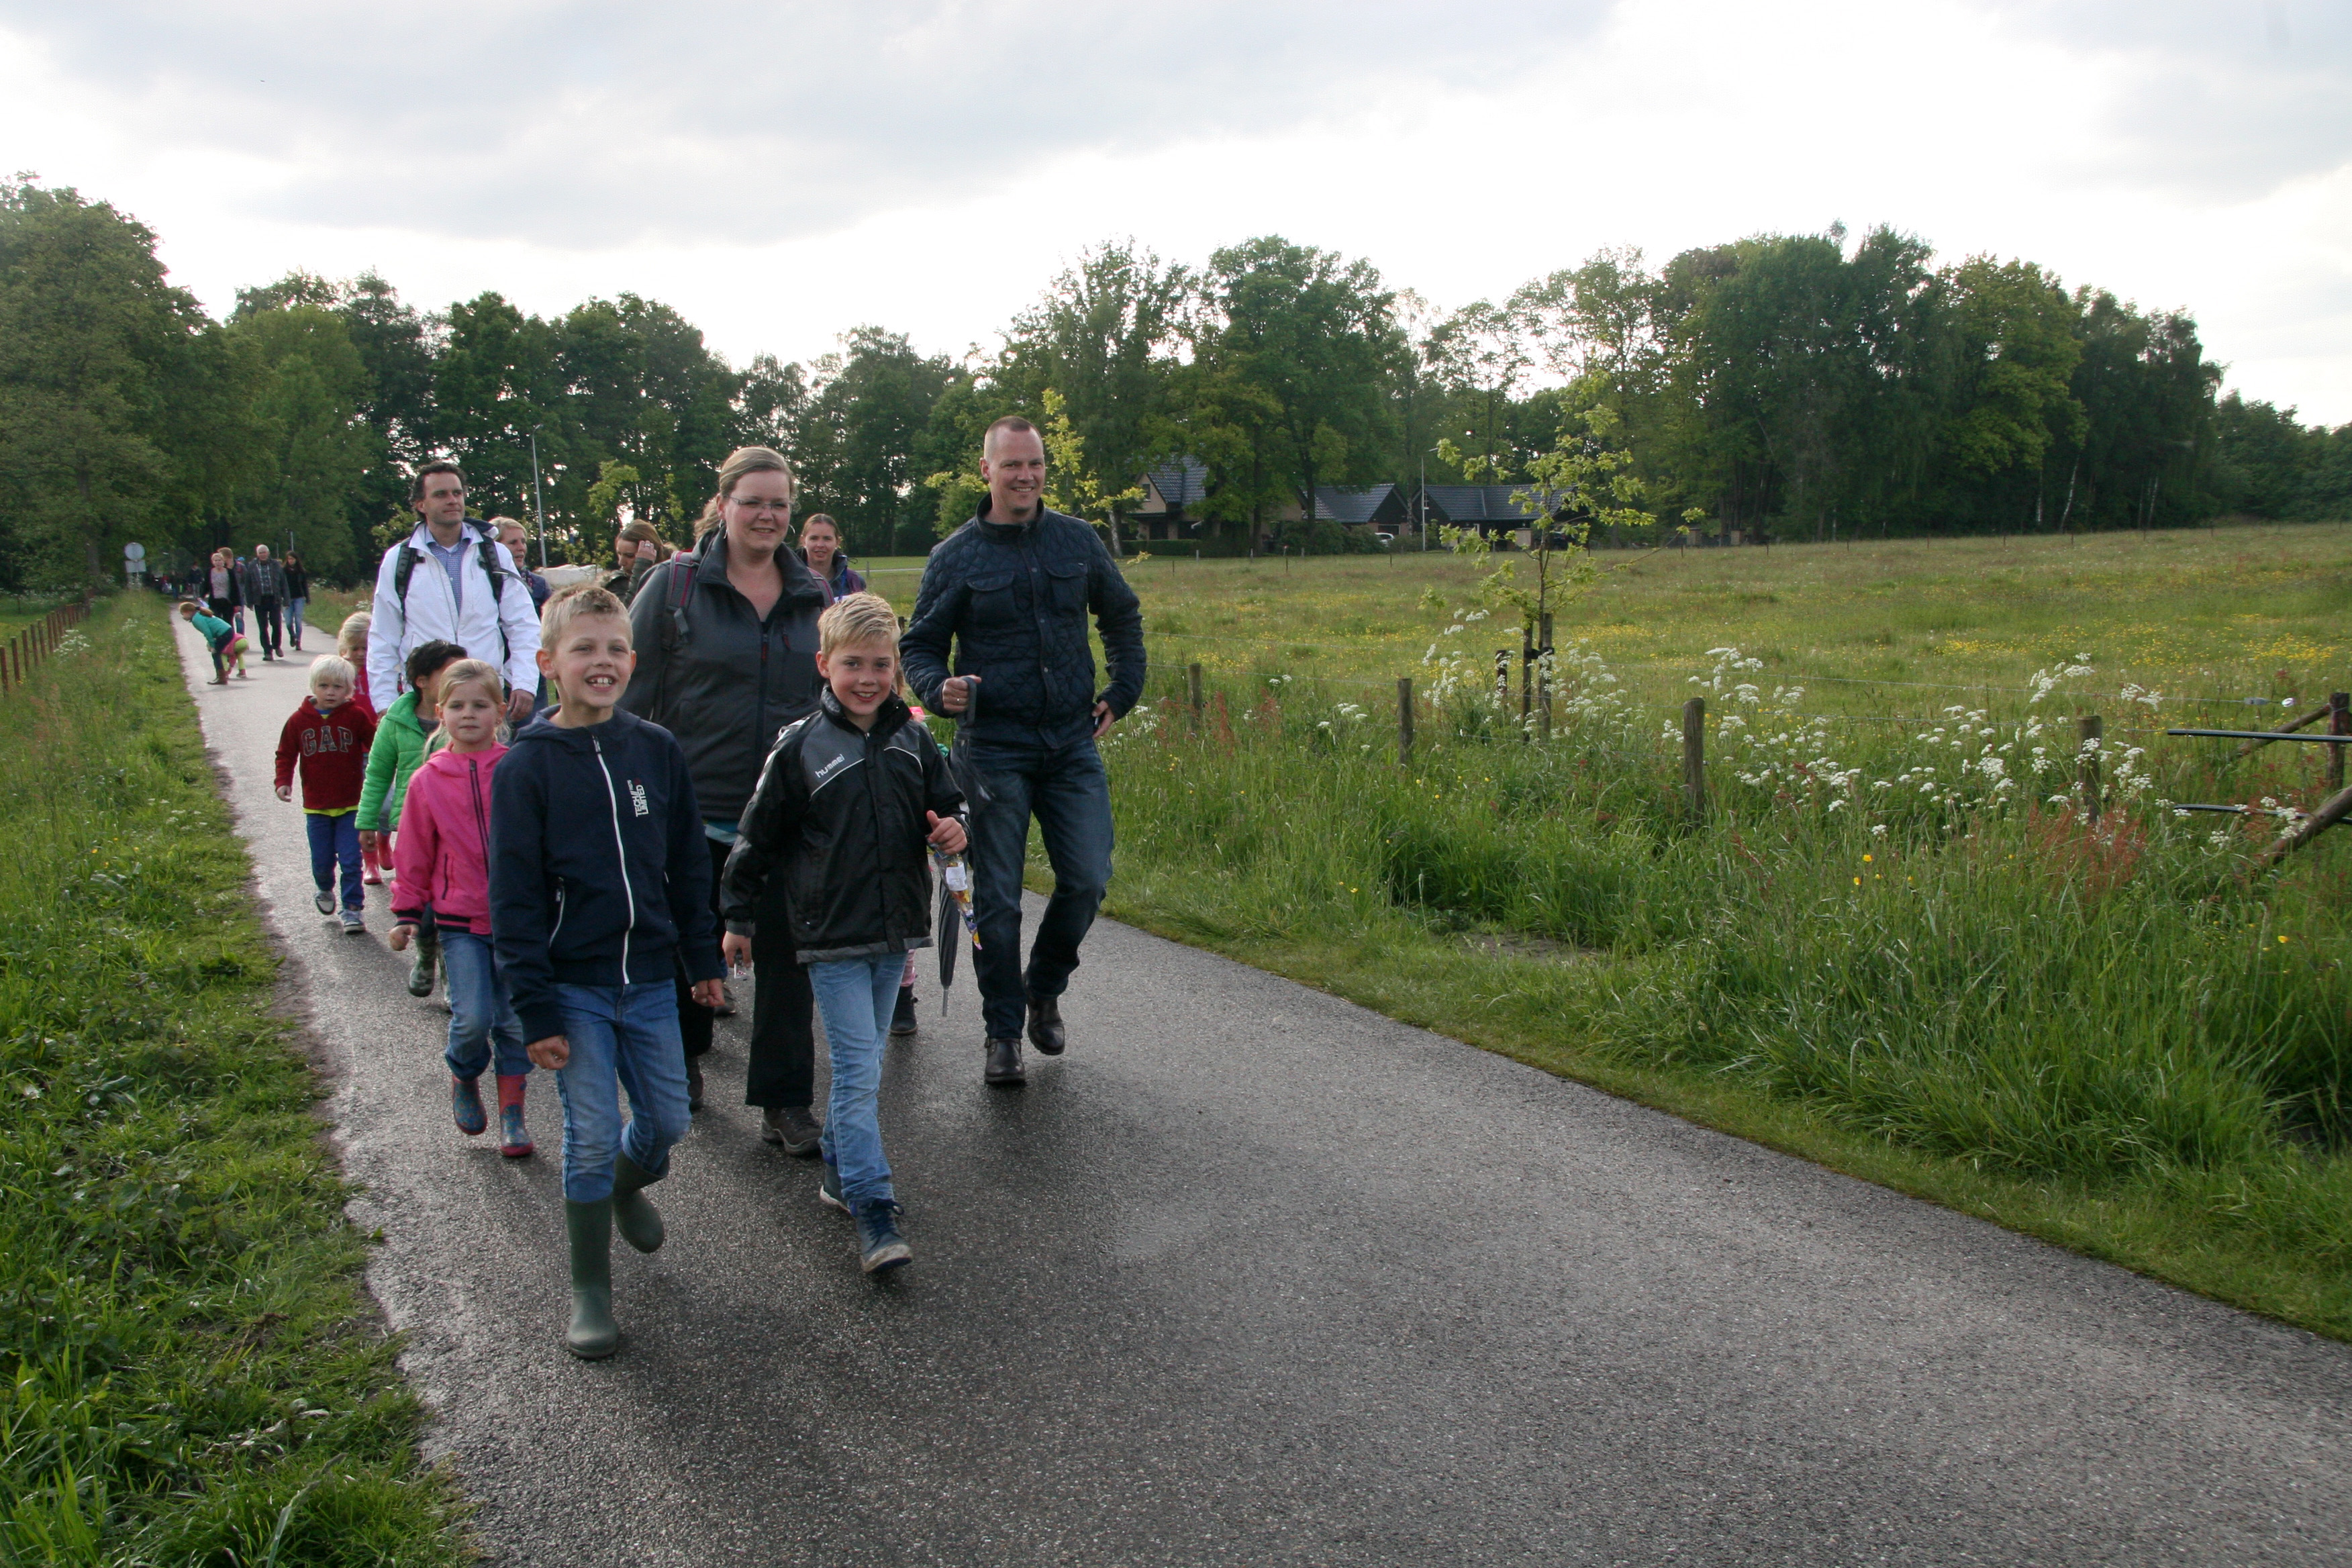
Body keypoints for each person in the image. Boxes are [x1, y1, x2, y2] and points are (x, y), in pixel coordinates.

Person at [490, 584, 722, 1361]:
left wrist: (700, 959)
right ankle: (590, 1287)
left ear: (634, 658)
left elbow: (688, 863)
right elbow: (514, 898)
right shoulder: (526, 767)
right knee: (589, 1134)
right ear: (547, 662)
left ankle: (626, 1184)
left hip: (651, 977)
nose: (603, 661)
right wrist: (535, 1010)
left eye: (616, 648)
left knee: (669, 1120)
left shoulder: (655, 748)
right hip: (573, 987)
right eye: (584, 648)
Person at [721, 595, 965, 1274]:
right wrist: (738, 917)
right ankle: (872, 1205)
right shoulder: (800, 746)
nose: (868, 678)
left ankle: (837, 1172)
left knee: (867, 1065)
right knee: (858, 1070)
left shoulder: (914, 739)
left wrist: (956, 828)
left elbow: (950, 803)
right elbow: (756, 837)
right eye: (853, 663)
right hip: (828, 936)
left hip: (896, 930)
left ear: (896, 669)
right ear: (824, 663)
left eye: (881, 665)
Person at [902, 415, 1145, 1085]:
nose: (1026, 475)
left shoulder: (1077, 539)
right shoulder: (955, 556)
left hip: (1070, 742)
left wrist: (1122, 690)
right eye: (1012, 464)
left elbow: (1122, 616)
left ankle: (1044, 988)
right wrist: (938, 688)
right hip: (993, 749)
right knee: (999, 901)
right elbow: (920, 646)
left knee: (1088, 877)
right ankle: (1003, 1031)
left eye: (1034, 463)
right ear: (986, 470)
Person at [622, 446, 827, 1143]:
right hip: (692, 809)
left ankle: (784, 1101)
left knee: (788, 959)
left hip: (784, 815)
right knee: (690, 943)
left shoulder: (813, 595)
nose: (767, 515)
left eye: (779, 504)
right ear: (723, 506)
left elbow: (835, 697)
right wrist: (634, 793)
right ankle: (682, 1059)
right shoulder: (673, 585)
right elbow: (632, 696)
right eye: (753, 502)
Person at [388, 658, 534, 1157]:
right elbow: (413, 852)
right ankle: (465, 1074)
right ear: (440, 713)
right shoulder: (427, 781)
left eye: (479, 705)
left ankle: (513, 1115)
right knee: (472, 1018)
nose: (468, 714)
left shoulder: (517, 769)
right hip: (459, 920)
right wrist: (407, 913)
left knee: (514, 1021)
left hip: (517, 920)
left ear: (500, 711)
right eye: (456, 706)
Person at [366, 460, 540, 726]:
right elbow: (383, 636)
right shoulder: (400, 560)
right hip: (425, 702)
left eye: (457, 493)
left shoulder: (494, 555)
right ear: (421, 504)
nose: (452, 500)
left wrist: (525, 683)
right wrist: (385, 704)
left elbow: (523, 624)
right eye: (441, 494)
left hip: (484, 698)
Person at [358, 640, 467, 989]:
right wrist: (367, 822)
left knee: (451, 901)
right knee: (421, 901)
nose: (459, 679)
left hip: (455, 828)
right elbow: (378, 774)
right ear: (421, 681)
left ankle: (452, 975)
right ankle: (425, 952)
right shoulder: (395, 721)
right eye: (449, 673)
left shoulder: (464, 718)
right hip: (412, 828)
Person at [273, 654, 377, 934]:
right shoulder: (298, 721)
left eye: (338, 687)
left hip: (351, 804)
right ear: (313, 687)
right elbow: (285, 754)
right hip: (317, 806)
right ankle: (324, 888)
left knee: (351, 860)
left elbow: (377, 746)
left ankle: (353, 909)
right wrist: (283, 782)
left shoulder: (356, 716)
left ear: (349, 690)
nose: (330, 692)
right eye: (324, 686)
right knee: (322, 861)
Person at [797, 513, 865, 603]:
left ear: (837, 542)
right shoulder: (790, 579)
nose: (820, 545)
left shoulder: (853, 581)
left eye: (827, 539)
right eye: (814, 538)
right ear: (803, 541)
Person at [492, 518, 552, 614]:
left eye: (523, 542)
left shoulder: (539, 585)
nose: (521, 548)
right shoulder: (481, 583)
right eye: (513, 543)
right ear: (494, 547)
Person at [181, 599, 250, 683]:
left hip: (224, 633)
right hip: (228, 631)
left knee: (216, 654)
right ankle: (221, 676)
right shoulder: (199, 615)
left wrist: (212, 645)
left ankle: (222, 677)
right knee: (217, 654)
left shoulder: (196, 619)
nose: (183, 616)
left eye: (183, 614)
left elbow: (207, 632)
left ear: (188, 612)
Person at [603, 518, 665, 605]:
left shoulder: (670, 575)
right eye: (619, 554)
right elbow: (628, 610)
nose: (621, 562)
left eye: (630, 556)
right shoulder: (617, 583)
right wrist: (642, 567)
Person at [248, 545, 289, 662]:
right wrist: (249, 601)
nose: (263, 555)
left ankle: (276, 646)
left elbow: (283, 583)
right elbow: (248, 584)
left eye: (264, 552)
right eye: (260, 553)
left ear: (268, 553)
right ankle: (267, 651)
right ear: (257, 554)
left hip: (274, 599)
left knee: (276, 624)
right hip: (259, 600)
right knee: (263, 627)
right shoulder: (252, 566)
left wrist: (286, 599)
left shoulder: (276, 565)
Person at [203, 550, 242, 626]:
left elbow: (235, 588)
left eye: (220, 560)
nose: (218, 562)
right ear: (213, 562)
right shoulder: (209, 572)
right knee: (216, 622)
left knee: (228, 623)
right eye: (216, 561)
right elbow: (206, 585)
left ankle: (230, 633)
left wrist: (238, 604)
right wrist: (202, 595)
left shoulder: (230, 572)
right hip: (214, 602)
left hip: (227, 602)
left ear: (223, 561)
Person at [283, 552, 311, 652]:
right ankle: (292, 635)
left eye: (292, 559)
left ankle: (298, 641)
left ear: (296, 560)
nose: (291, 561)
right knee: (288, 622)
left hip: (299, 597)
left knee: (298, 621)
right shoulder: (283, 571)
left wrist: (307, 598)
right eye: (289, 559)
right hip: (287, 599)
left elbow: (305, 585)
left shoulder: (301, 571)